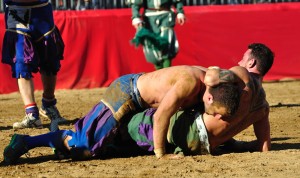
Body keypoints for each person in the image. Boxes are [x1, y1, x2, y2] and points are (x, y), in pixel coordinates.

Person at [3, 65, 242, 164]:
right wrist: (161, 154)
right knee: (83, 145)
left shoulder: (215, 83)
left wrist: (231, 142)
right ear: (209, 97)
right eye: (215, 113)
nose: (215, 118)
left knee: (105, 146)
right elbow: (161, 117)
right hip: (126, 93)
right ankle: (26, 141)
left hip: (138, 100)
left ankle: (58, 137)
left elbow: (226, 75)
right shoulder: (190, 84)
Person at [127, 43, 274, 156]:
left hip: (191, 131)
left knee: (137, 120)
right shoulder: (263, 107)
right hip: (208, 147)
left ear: (251, 63)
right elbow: (264, 146)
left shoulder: (242, 74)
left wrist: (203, 72)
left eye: (243, 59)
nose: (240, 62)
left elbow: (211, 78)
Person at [1, 0, 66, 131]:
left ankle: (48, 104)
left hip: (42, 13)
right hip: (17, 13)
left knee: (50, 62)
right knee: (21, 62)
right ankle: (32, 114)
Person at [127, 0, 185, 70]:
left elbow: (177, 1)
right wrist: (136, 17)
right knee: (152, 46)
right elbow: (136, 4)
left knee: (167, 43)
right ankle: (158, 71)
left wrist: (180, 12)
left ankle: (167, 72)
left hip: (166, 17)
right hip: (149, 19)